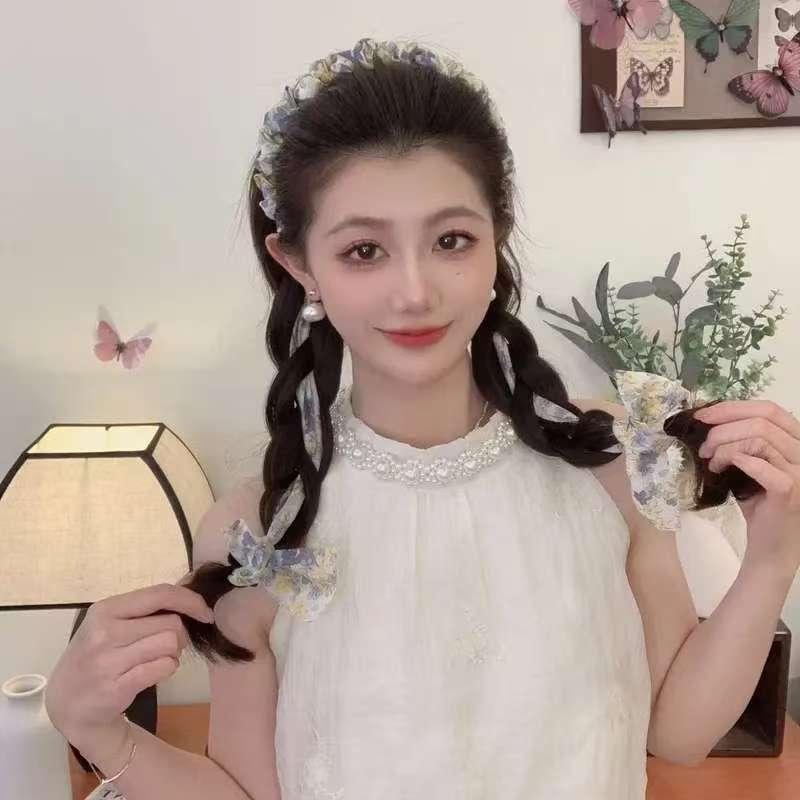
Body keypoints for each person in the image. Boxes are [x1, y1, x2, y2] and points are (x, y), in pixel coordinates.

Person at [45, 36, 769, 800]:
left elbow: (678, 734)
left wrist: (774, 554)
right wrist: (94, 728)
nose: (415, 291)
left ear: (497, 236)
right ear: (298, 264)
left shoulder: (607, 464)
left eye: (451, 240)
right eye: (364, 250)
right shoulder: (262, 534)